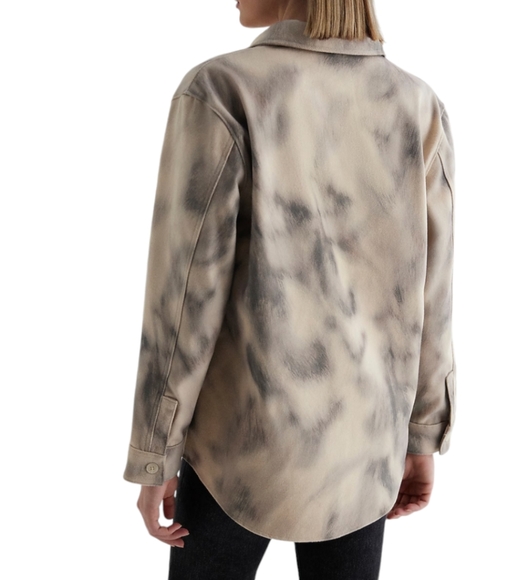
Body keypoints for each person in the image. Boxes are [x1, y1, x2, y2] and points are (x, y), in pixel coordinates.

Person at [123, 0, 457, 578]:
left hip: (238, 449)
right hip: (362, 452)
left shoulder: (223, 89)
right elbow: (432, 292)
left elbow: (184, 298)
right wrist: (423, 434)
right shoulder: (417, 104)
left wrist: (156, 452)